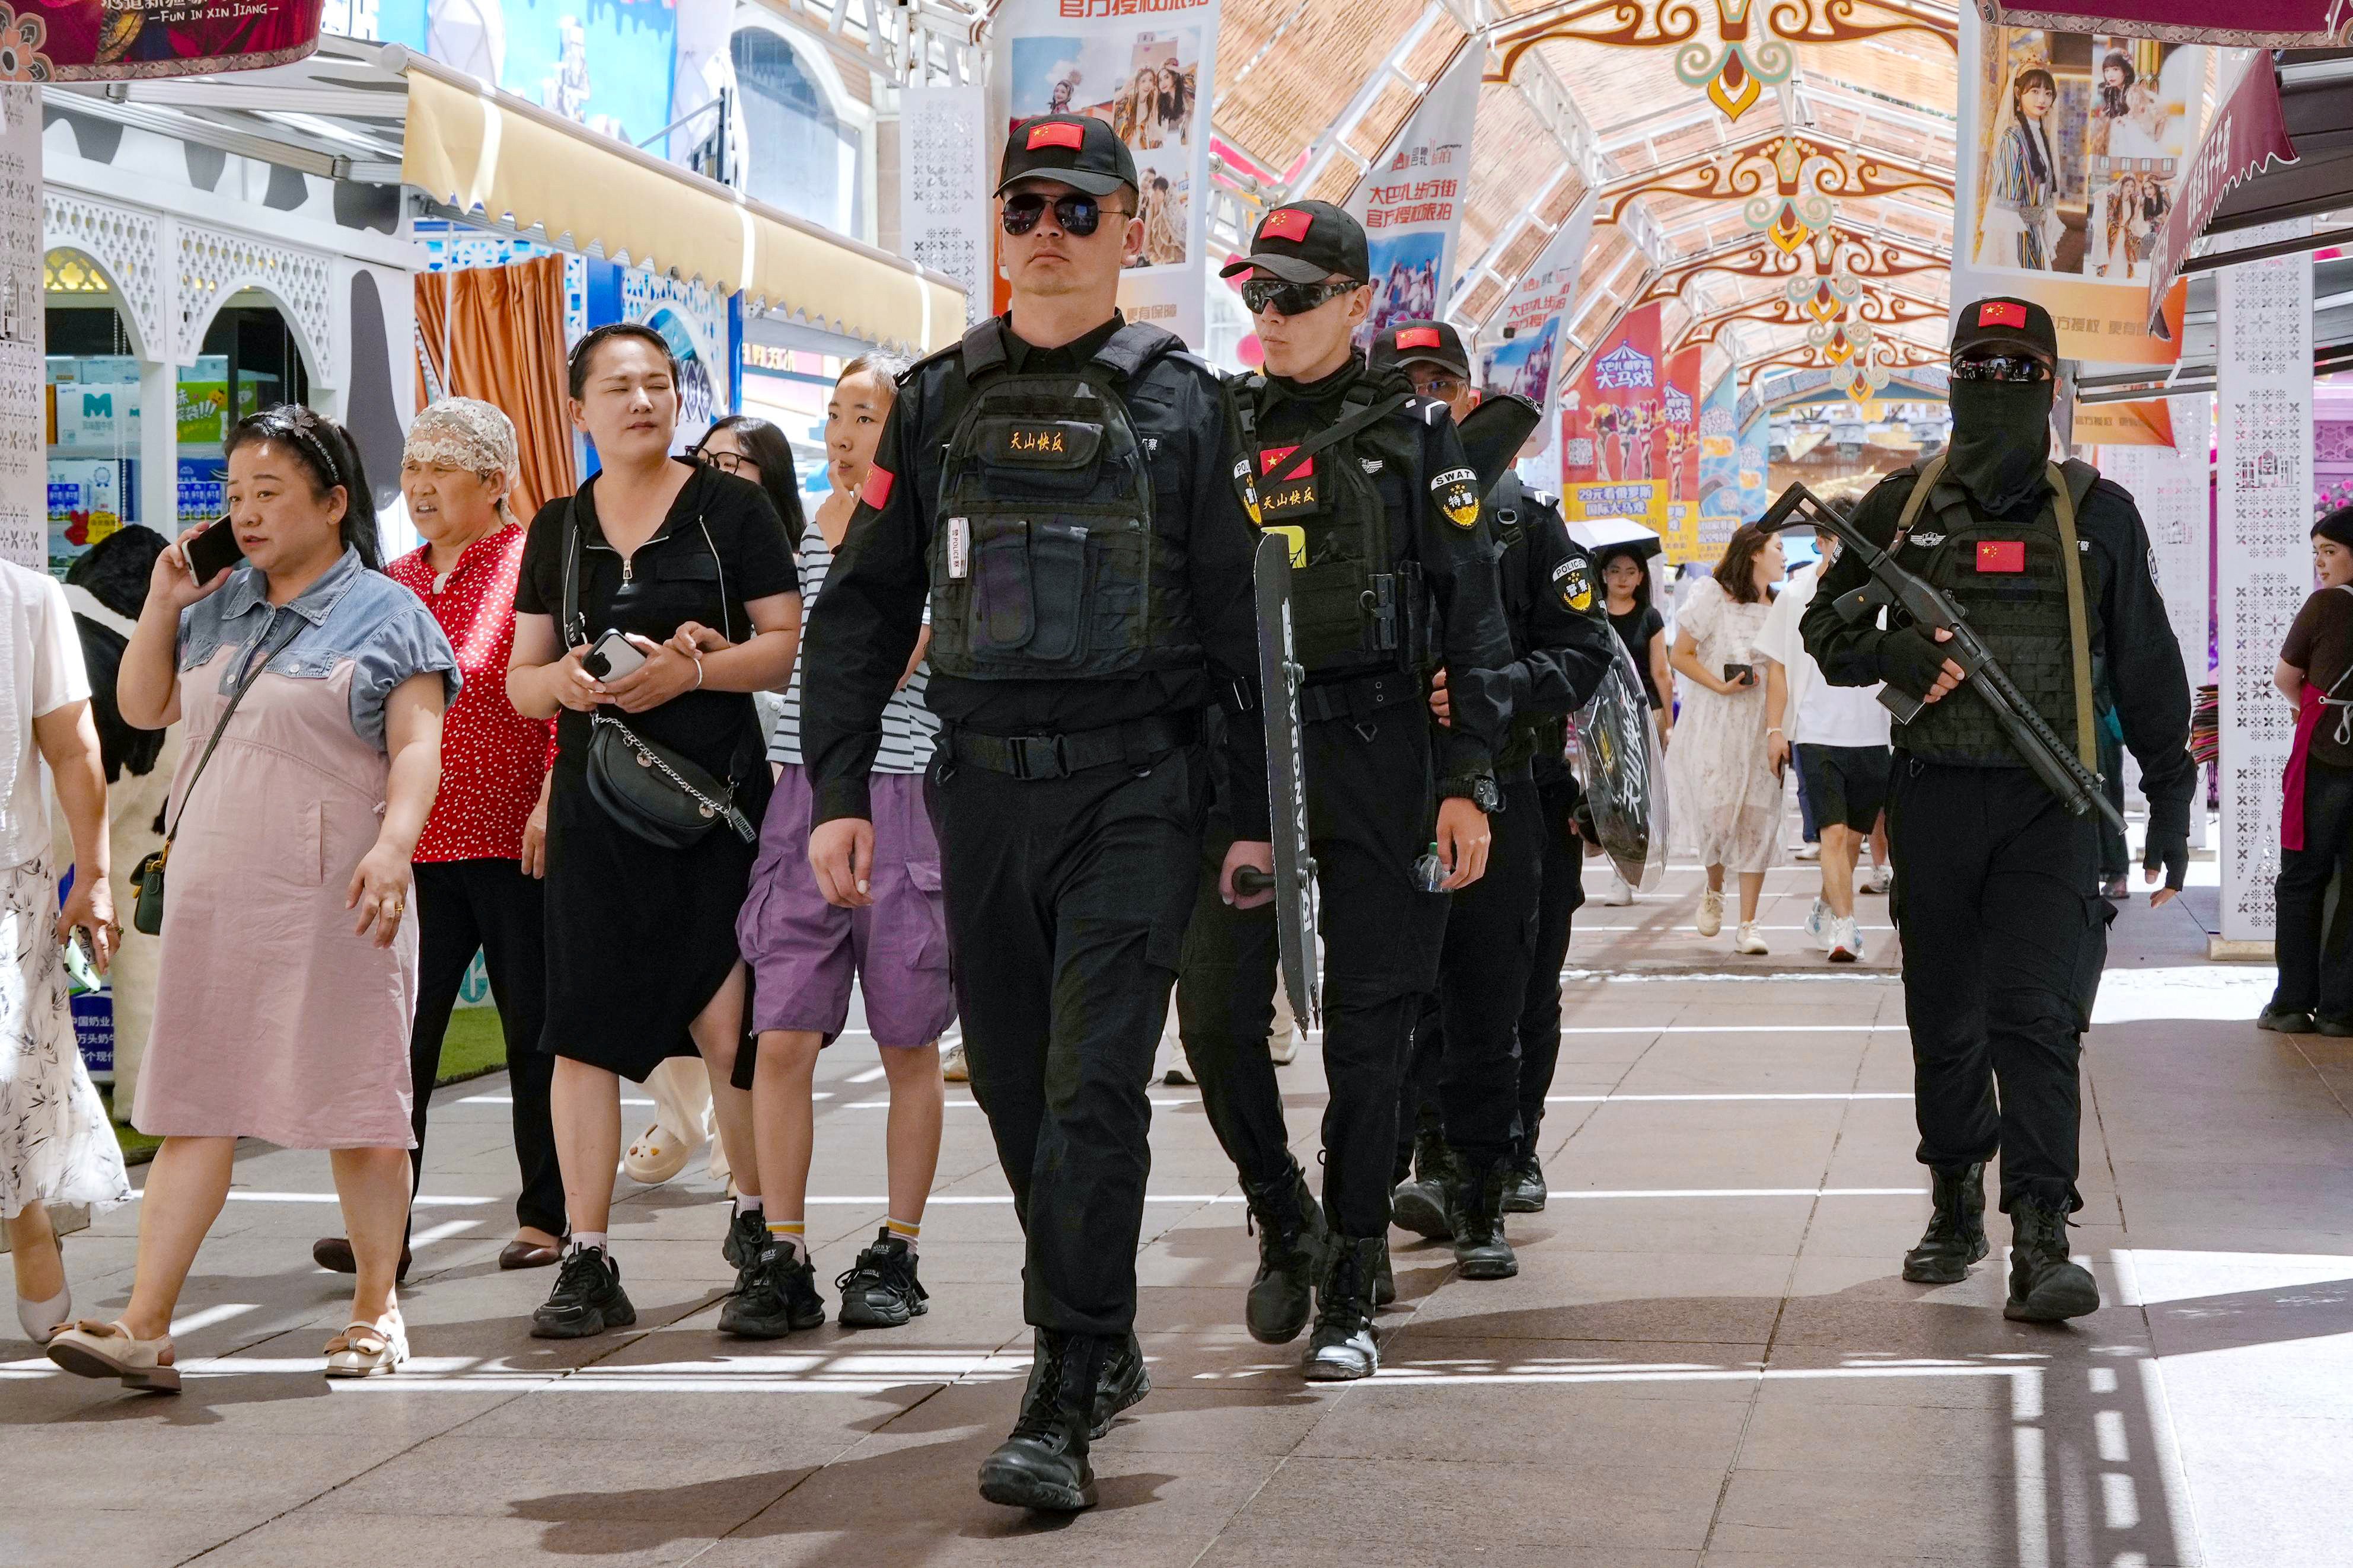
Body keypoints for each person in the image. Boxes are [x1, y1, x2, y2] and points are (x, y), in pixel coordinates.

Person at [798, 114, 1272, 1513]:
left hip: (1137, 792)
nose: (1048, 228)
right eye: (1024, 207)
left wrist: (1246, 821)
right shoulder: (934, 399)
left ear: (1135, 228)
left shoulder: (1190, 404)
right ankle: (1099, 1319)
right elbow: (866, 605)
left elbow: (1246, 641)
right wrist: (836, 785)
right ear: (998, 229)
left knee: (1087, 1090)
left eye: (1078, 204)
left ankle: (1063, 1383)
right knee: (1010, 1087)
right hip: (977, 793)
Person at [1802, 296, 2193, 1321]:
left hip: (2051, 806)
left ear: (2053, 386)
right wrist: (1886, 653)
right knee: (1944, 1017)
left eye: (2020, 372)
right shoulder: (1897, 504)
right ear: (1951, 380)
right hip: (1931, 799)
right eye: (1981, 369)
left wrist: (2168, 797)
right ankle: (1949, 1203)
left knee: (2035, 1016)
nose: (2000, 390)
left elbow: (2148, 666)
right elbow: (1824, 626)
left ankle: (2038, 1232)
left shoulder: (2097, 513)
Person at [51, 408, 457, 1388]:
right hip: (215, 896)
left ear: (333, 502)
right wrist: (162, 603)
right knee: (198, 1107)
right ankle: (146, 1325)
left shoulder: (390, 614)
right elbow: (146, 708)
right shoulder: (215, 603)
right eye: (235, 497)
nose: (248, 513)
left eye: (270, 494)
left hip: (340, 899)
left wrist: (396, 847)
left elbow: (417, 748)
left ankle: (375, 1308)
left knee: (361, 1110)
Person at [1176, 210, 1513, 1382]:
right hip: (1244, 760)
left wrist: (1466, 775)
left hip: (1382, 749)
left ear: (1356, 302)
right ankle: (1283, 1209)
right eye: (1256, 297)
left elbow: (1472, 615)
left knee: (1372, 1023)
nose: (1268, 317)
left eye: (1295, 296)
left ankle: (1354, 1270)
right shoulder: (1214, 428)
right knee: (1213, 1007)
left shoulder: (1419, 436)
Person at [506, 323, 801, 1340]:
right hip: (598, 805)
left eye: (659, 385)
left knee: (730, 1026)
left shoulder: (732, 509)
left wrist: (691, 673)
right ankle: (586, 1257)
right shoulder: (556, 526)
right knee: (580, 1036)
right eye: (618, 387)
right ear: (579, 409)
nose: (642, 401)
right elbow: (521, 684)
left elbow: (780, 647)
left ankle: (763, 1233)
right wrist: (571, 681)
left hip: (715, 804)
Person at [718, 355, 954, 1337]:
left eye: (867, 413)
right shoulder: (789, 540)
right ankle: (781, 1250)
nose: (846, 430)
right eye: (835, 413)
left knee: (907, 1042)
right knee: (780, 1036)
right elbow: (784, 657)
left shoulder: (932, 532)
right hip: (800, 798)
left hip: (904, 800)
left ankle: (896, 1247)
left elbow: (884, 657)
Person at [1375, 323, 1614, 1279]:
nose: (1424, 399)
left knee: (1493, 998)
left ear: (1471, 398)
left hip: (1509, 793)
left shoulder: (1526, 521)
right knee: (1392, 1007)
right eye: (1405, 383)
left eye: (1440, 381)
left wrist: (1492, 686)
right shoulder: (1359, 512)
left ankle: (1485, 1184)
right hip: (1386, 796)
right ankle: (1402, 1175)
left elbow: (1587, 650)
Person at [312, 398, 565, 1280]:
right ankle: (387, 1230)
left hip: (514, 837)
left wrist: (552, 796)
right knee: (397, 1039)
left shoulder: (535, 560)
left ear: (495, 483)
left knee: (535, 1029)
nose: (417, 487)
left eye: (440, 470)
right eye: (412, 469)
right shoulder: (397, 579)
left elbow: (564, 691)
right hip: (417, 845)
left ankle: (548, 1216)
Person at [2, 555, 130, 1345]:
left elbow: (75, 747)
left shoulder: (27, 598)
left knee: (11, 1085)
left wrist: (97, 873)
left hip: (6, 882)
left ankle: (29, 1226)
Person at [1759, 518, 1891, 963]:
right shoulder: (1796, 595)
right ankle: (1847, 929)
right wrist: (1775, 729)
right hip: (1815, 732)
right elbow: (1777, 666)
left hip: (1874, 734)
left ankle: (1824, 907)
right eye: (1839, 540)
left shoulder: (1883, 593)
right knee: (1832, 833)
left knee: (1852, 838)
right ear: (1820, 542)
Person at [1667, 523, 1785, 953]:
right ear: (1754, 552)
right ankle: (1714, 887)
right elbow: (1680, 654)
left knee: (1758, 821)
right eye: (1778, 547)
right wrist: (1718, 685)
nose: (1784, 556)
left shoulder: (1779, 607)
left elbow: (1782, 674)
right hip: (1714, 724)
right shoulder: (1711, 595)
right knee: (1716, 819)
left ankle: (1749, 924)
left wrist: (1778, 729)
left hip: (1759, 726)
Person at [2262, 504, 2353, 1036]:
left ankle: (2293, 1004)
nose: (2320, 563)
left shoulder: (2324, 607)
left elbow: (2284, 676)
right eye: (2316, 552)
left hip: (2322, 757)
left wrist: (2307, 707)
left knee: (2301, 879)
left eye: (2331, 551)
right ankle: (2342, 1011)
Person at [1597, 543, 1670, 904]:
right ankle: (1618, 868)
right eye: (1615, 570)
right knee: (1607, 793)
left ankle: (1628, 871)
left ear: (1642, 577)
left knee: (1636, 794)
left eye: (1630, 571)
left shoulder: (1650, 617)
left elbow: (1661, 672)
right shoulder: (1593, 617)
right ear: (1602, 575)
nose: (1622, 578)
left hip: (1642, 714)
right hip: (1604, 715)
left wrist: (1668, 723)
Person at [1982, 68, 2060, 272]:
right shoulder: (2012, 138)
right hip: (2016, 235)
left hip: (2035, 232)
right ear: (2018, 93)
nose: (2042, 99)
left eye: (2048, 93)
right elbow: (2006, 200)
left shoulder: (2040, 134)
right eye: (2034, 91)